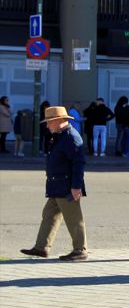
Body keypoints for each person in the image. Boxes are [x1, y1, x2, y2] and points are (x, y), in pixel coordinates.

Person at [20, 106, 88, 261]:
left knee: (74, 218)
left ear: (61, 121)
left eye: (50, 122)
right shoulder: (60, 136)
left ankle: (80, 250)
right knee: (49, 216)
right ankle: (41, 248)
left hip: (67, 187)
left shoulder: (71, 137)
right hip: (57, 186)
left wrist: (76, 186)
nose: (47, 125)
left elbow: (78, 163)